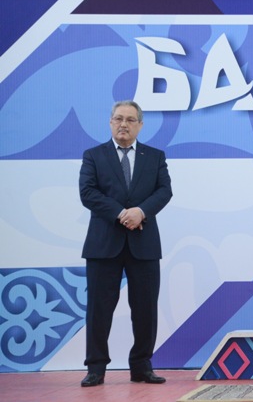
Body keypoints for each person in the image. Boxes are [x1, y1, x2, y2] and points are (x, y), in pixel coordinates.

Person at [78, 100, 173, 387]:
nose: (124, 124)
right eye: (119, 118)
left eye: (131, 120)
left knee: (145, 310)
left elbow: (164, 191)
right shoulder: (93, 155)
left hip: (144, 244)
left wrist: (141, 212)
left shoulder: (154, 156)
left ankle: (142, 367)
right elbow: (88, 193)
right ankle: (96, 368)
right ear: (110, 122)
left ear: (140, 125)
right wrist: (121, 214)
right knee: (99, 309)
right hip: (103, 244)